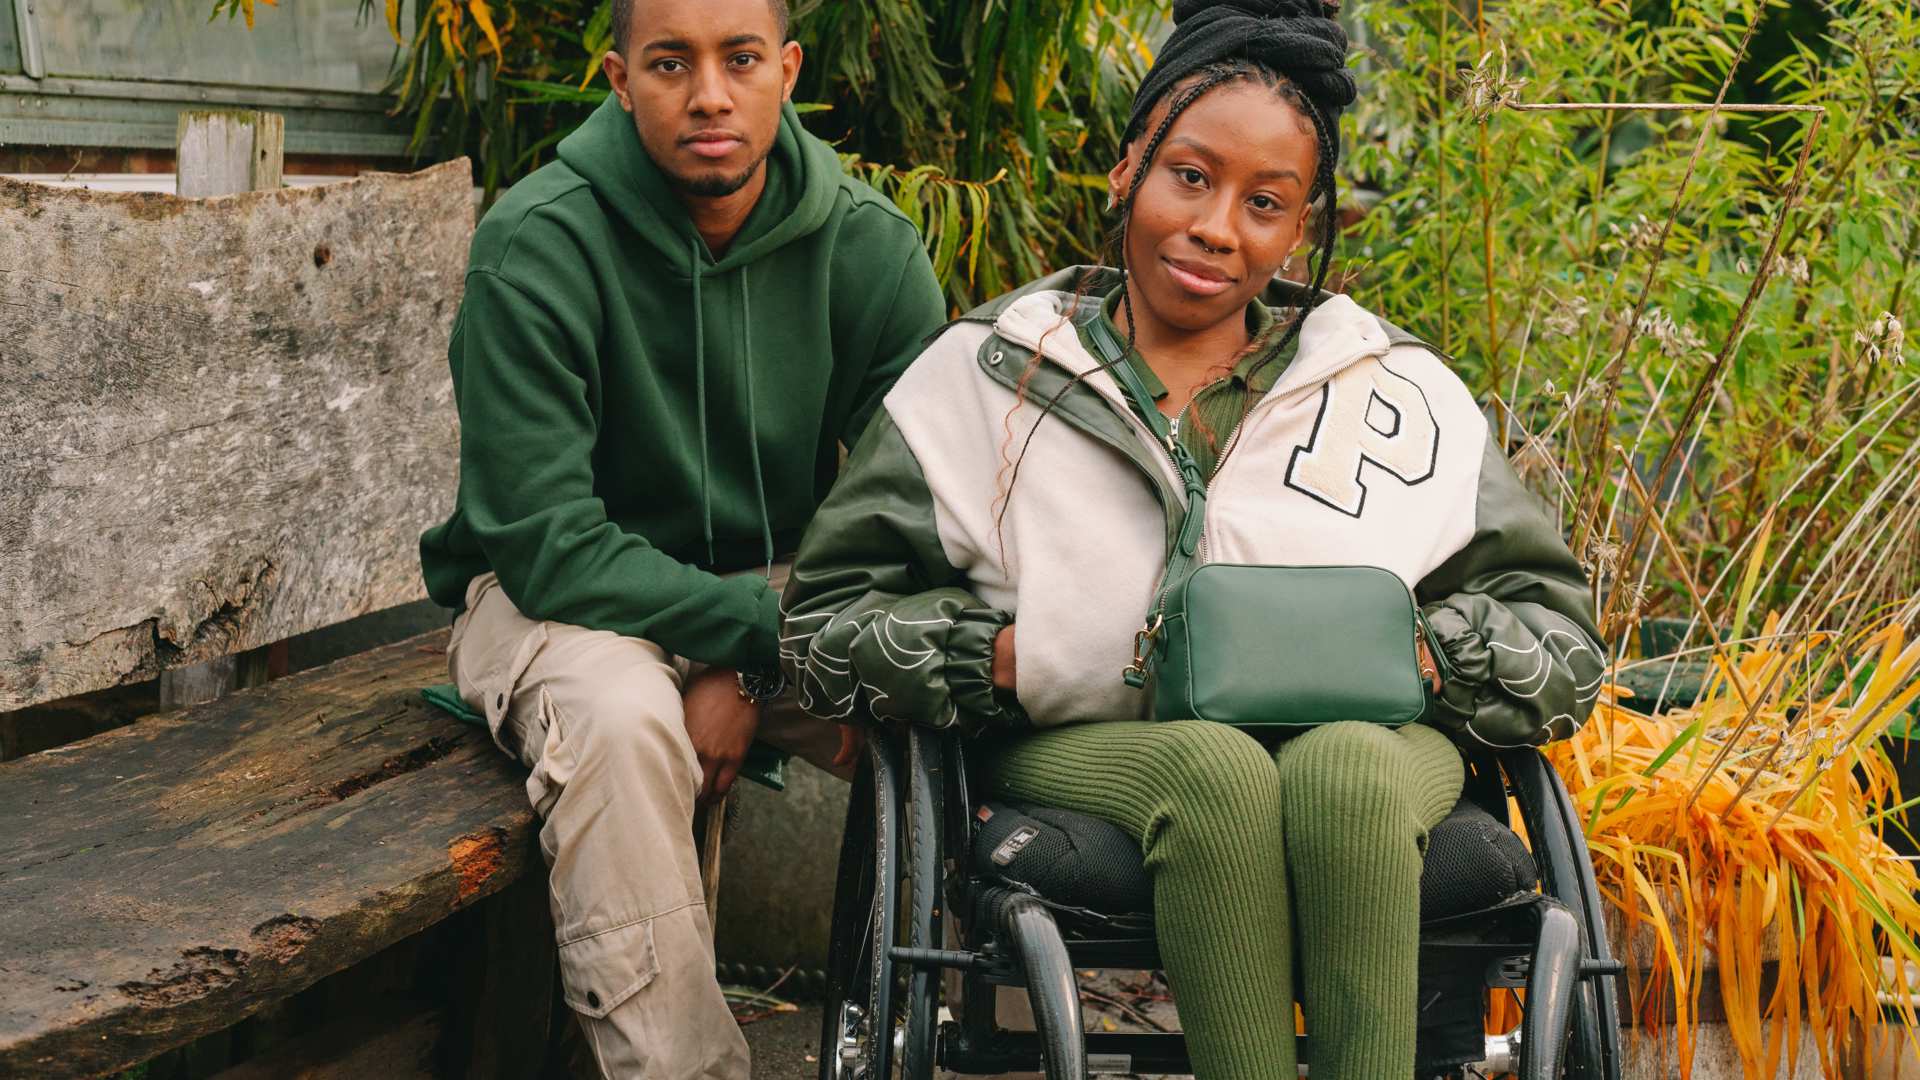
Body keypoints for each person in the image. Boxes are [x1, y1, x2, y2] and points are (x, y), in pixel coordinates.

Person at [778, 1, 1606, 1075]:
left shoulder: (1394, 391)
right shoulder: (986, 377)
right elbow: (819, 629)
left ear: (1302, 227)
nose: (1219, 226)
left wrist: (1424, 655)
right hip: (1089, 747)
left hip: (1375, 742)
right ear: (1128, 170)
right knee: (1216, 771)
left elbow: (1566, 648)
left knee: (1348, 772)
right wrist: (992, 656)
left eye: (1265, 202)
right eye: (1191, 177)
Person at [416, 0, 948, 1073]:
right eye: (671, 63)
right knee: (622, 720)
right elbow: (548, 544)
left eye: (739, 59)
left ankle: (916, 1031)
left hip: (773, 598)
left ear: (787, 70)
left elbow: (928, 511)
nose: (709, 94)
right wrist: (755, 639)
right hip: (551, 601)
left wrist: (746, 668)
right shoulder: (538, 244)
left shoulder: (867, 248)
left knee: (950, 677)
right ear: (619, 79)